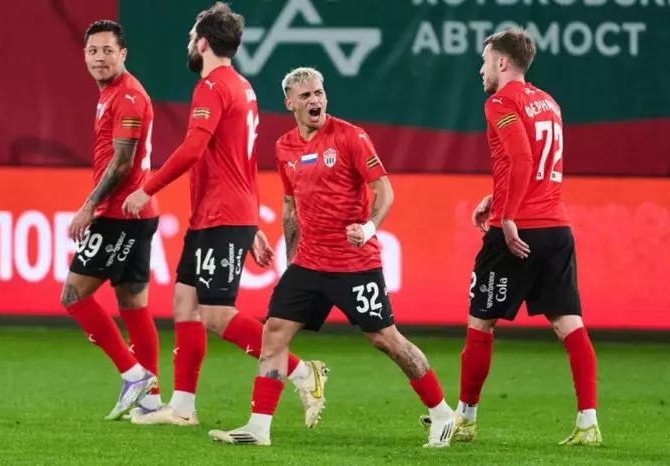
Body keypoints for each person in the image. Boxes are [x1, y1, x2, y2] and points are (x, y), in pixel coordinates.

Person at [207, 67, 459, 448]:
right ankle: (258, 427)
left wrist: (369, 229)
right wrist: (291, 261)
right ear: (289, 103)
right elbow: (290, 206)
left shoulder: (350, 137)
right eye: (306, 95)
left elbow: (384, 190)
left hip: (354, 263)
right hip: (309, 263)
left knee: (386, 339)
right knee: (274, 332)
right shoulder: (284, 147)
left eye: (319, 93)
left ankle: (442, 413)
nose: (316, 101)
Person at [122, 2, 327, 428]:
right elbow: (242, 161)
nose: (189, 43)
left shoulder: (212, 86)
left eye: (191, 37)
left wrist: (147, 189)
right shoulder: (242, 86)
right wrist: (252, 224)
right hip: (216, 214)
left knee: (215, 313)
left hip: (222, 214)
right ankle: (182, 408)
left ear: (202, 43)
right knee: (184, 302)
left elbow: (193, 150)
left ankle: (302, 372)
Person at [421, 28, 601, 446]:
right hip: (556, 227)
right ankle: (588, 423)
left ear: (502, 62)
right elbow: (536, 165)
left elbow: (521, 158)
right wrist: (497, 196)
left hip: (520, 231)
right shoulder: (549, 102)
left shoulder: (500, 102)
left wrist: (507, 216)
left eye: (485, 61)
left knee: (480, 322)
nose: (481, 69)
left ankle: (466, 419)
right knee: (570, 324)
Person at [61, 20, 160, 420]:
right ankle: (150, 402)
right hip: (136, 213)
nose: (99, 58)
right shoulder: (112, 93)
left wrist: (89, 206)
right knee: (133, 303)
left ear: (123, 54)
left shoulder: (128, 96)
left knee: (73, 295)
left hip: (120, 213)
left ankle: (134, 376)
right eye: (92, 51)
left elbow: (122, 163)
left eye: (107, 50)